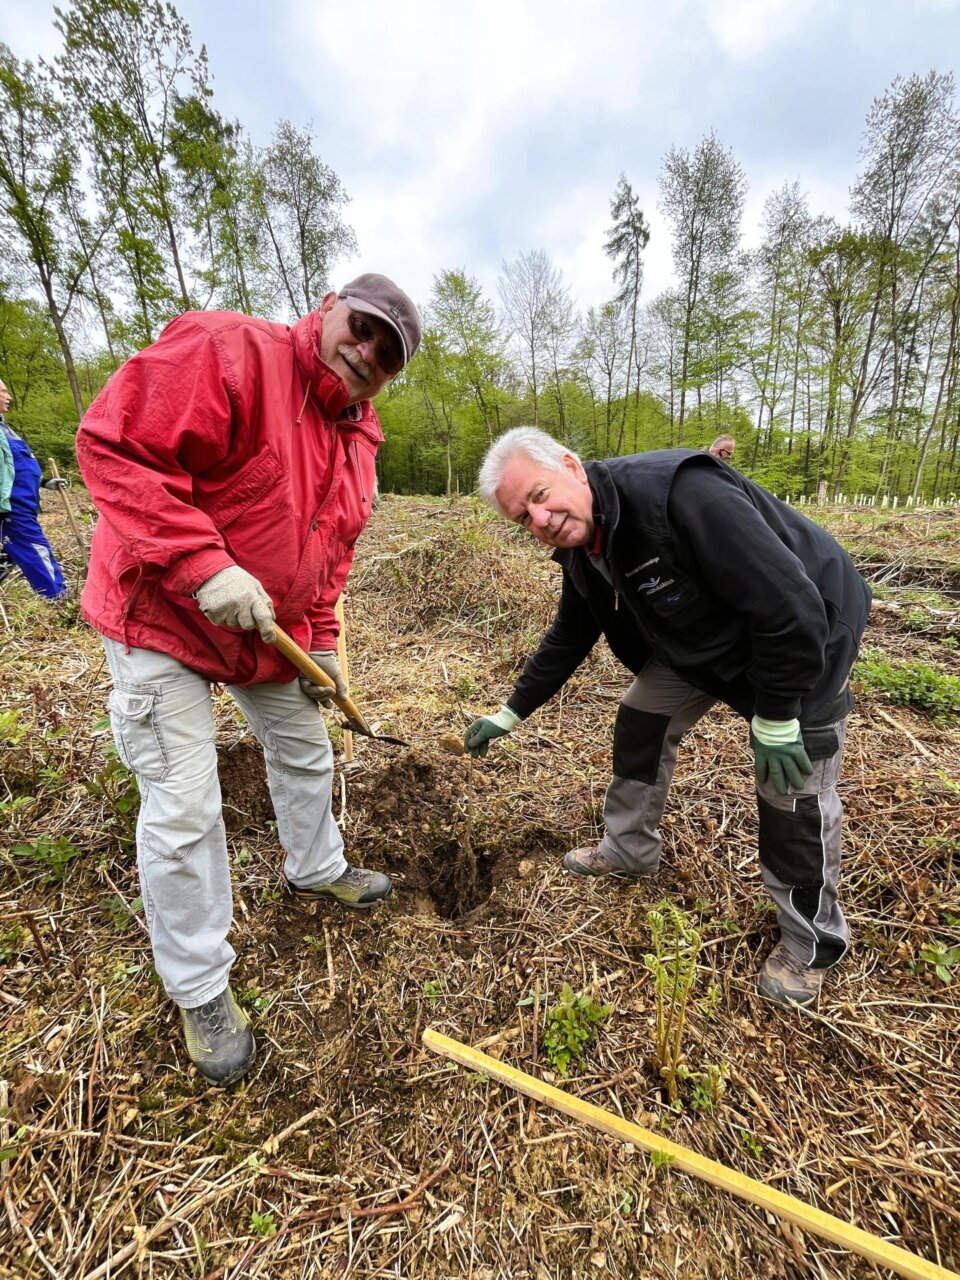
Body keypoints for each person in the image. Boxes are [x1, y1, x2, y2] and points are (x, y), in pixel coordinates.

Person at [76, 274, 421, 1087]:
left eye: (387, 354)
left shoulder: (361, 441)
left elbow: (331, 553)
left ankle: (317, 867)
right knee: (185, 804)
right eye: (363, 328)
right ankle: (199, 986)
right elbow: (114, 446)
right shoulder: (228, 351)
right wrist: (201, 564)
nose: (366, 353)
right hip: (160, 608)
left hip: (264, 629)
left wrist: (323, 641)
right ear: (329, 307)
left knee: (305, 747)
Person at [464, 427, 871, 1009]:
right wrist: (511, 712)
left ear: (571, 466)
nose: (540, 520)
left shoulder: (679, 495)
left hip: (809, 636)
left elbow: (790, 605)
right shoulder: (585, 546)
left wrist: (779, 716)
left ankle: (811, 941)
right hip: (706, 639)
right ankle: (628, 847)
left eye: (539, 495)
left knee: (791, 788)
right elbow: (570, 635)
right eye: (522, 518)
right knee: (642, 715)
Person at [0, 377, 68, 598]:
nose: (9, 397)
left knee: (8, 555)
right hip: (12, 509)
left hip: (22, 504)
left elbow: (11, 470)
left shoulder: (5, 428)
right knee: (35, 549)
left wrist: (44, 482)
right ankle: (58, 598)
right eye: (3, 392)